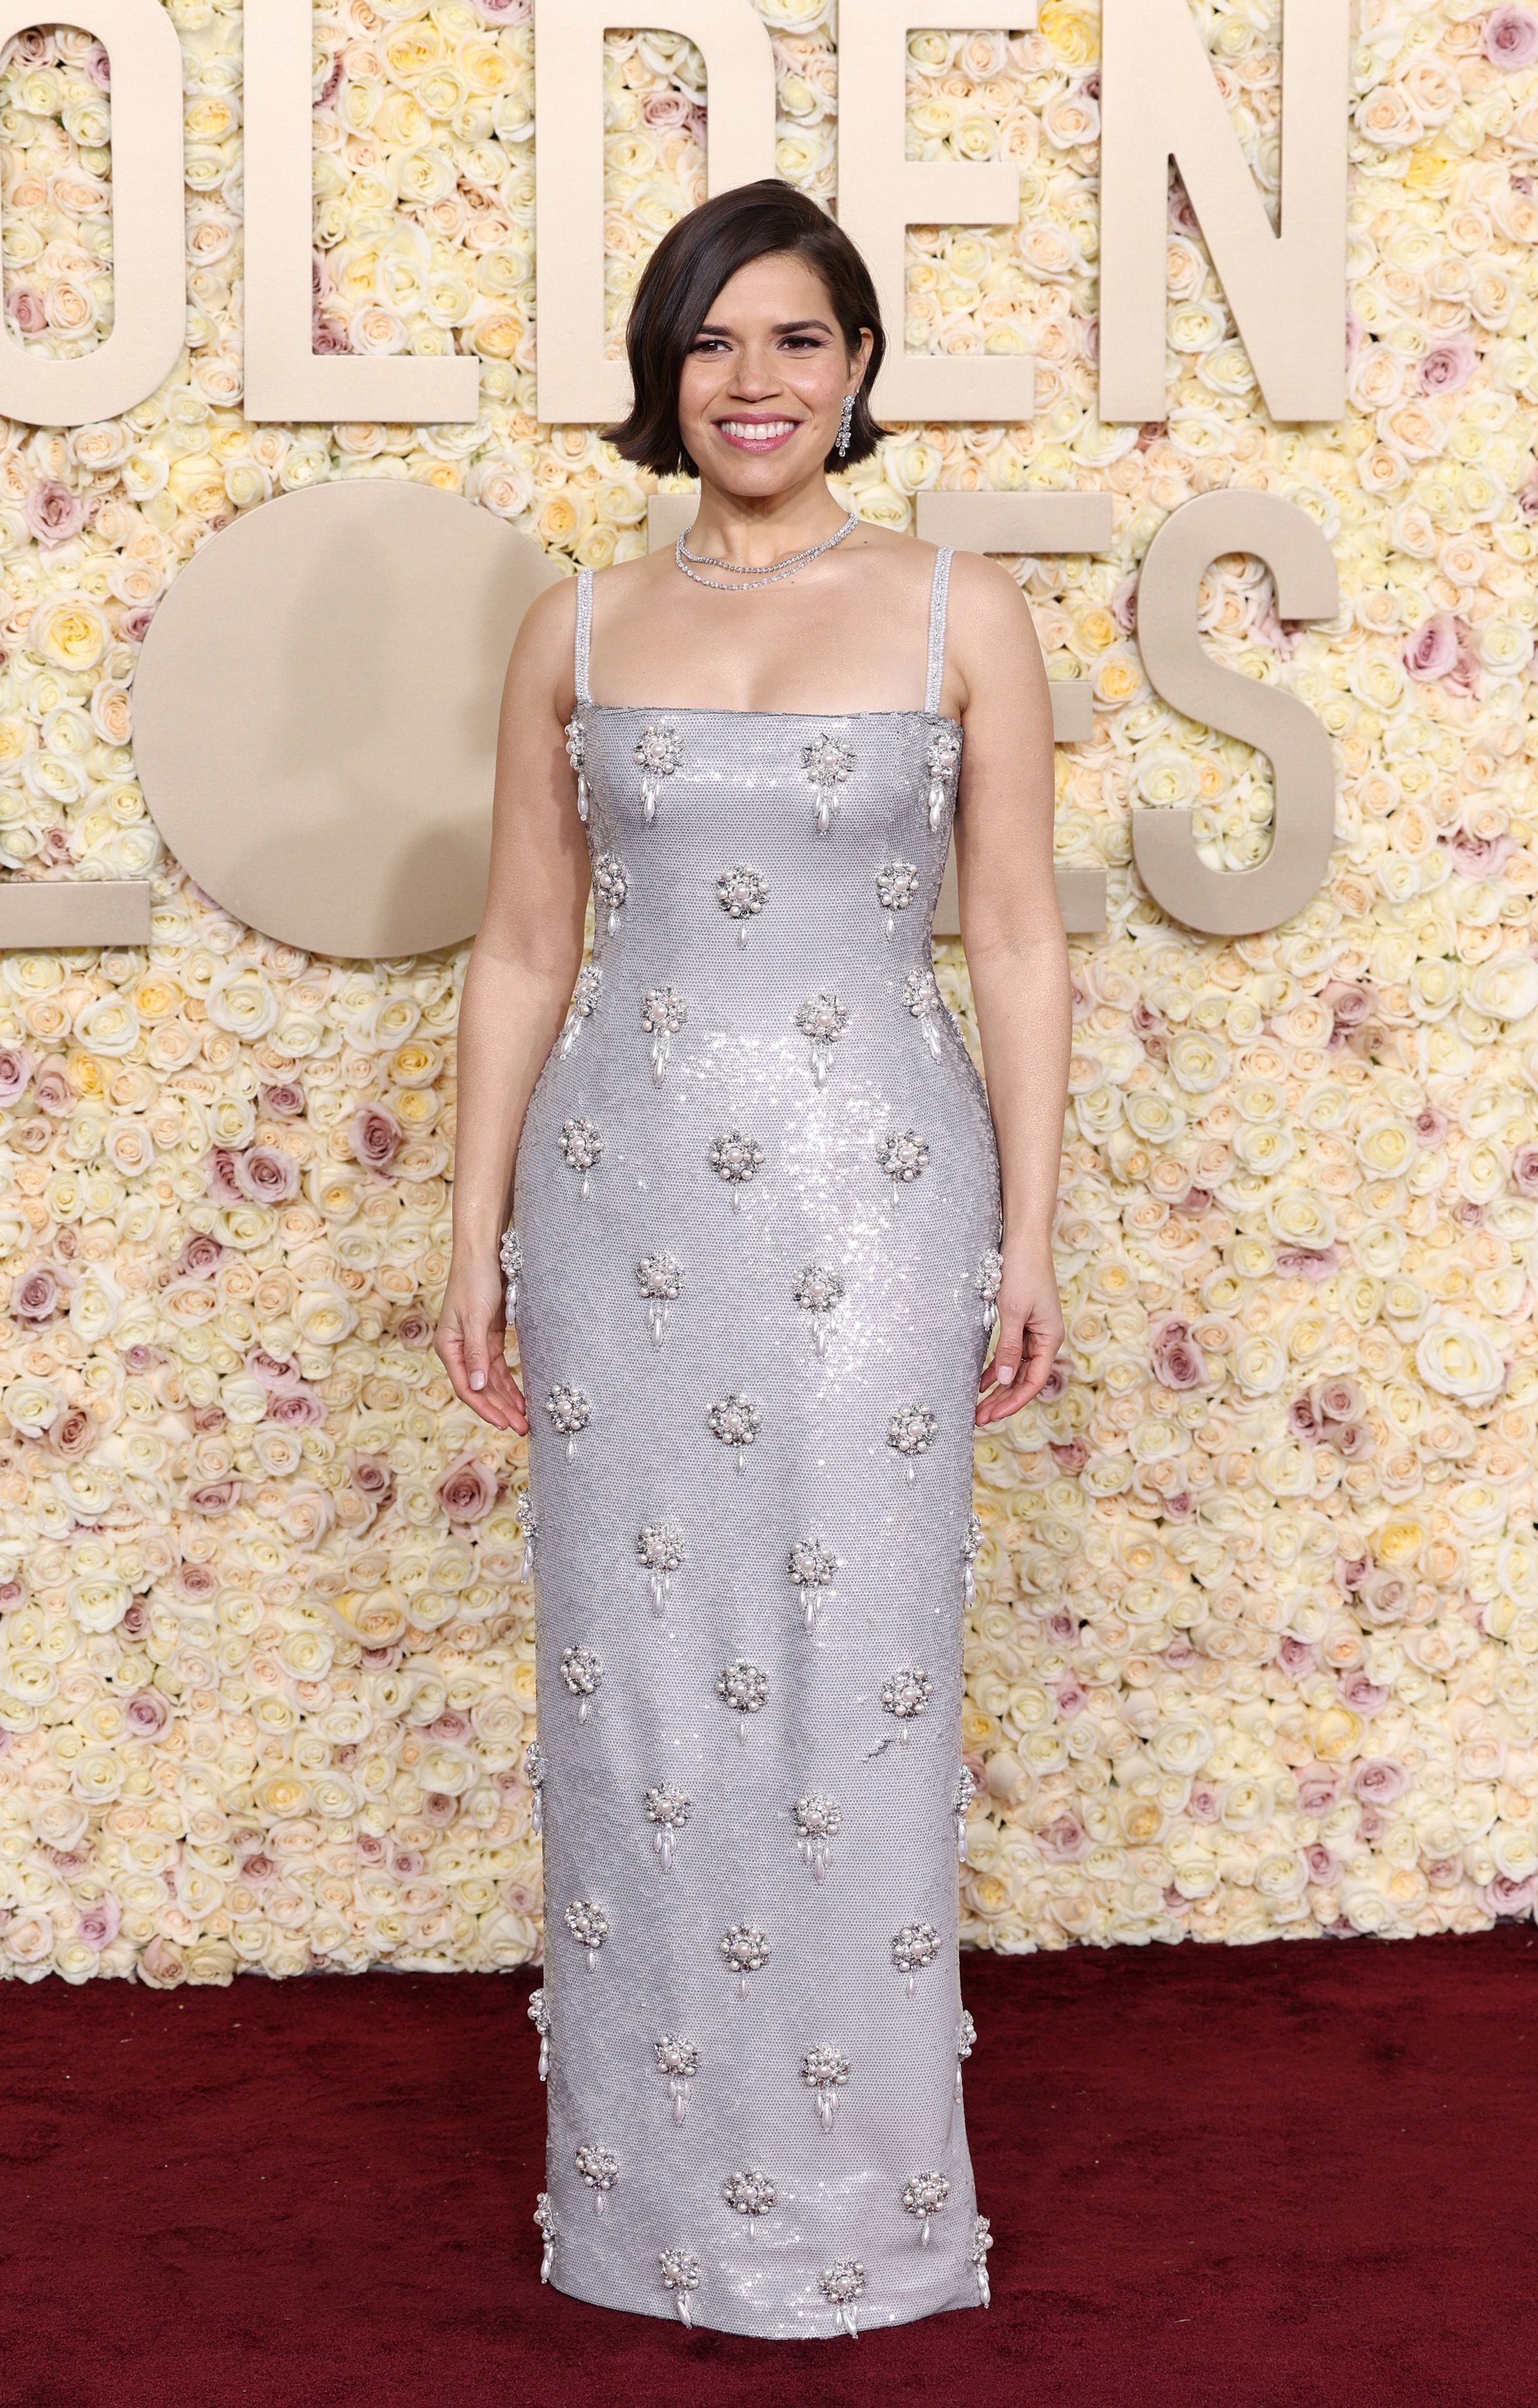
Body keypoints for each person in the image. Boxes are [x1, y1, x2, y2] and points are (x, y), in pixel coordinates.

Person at [436, 178, 1069, 2340]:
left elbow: (1013, 931)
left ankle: (864, 2212)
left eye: (794, 339)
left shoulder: (951, 611)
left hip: (881, 1203)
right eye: (712, 343)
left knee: (854, 1674)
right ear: (660, 375)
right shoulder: (578, 629)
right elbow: (526, 942)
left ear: (861, 367)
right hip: (622, 1211)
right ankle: (648, 2209)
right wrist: (474, 1232)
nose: (754, 383)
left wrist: (1030, 1227)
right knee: (637, 1685)